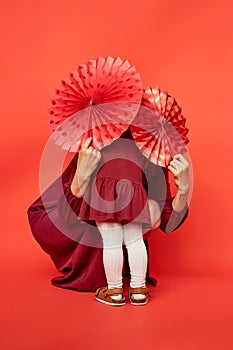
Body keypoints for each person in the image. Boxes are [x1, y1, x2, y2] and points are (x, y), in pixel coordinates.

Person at [27, 127, 190, 306]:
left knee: (111, 241)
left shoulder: (98, 139)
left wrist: (184, 190)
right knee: (134, 239)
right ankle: (138, 290)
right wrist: (79, 180)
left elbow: (167, 221)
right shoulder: (150, 149)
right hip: (133, 195)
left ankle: (114, 292)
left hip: (102, 193)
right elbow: (56, 219)